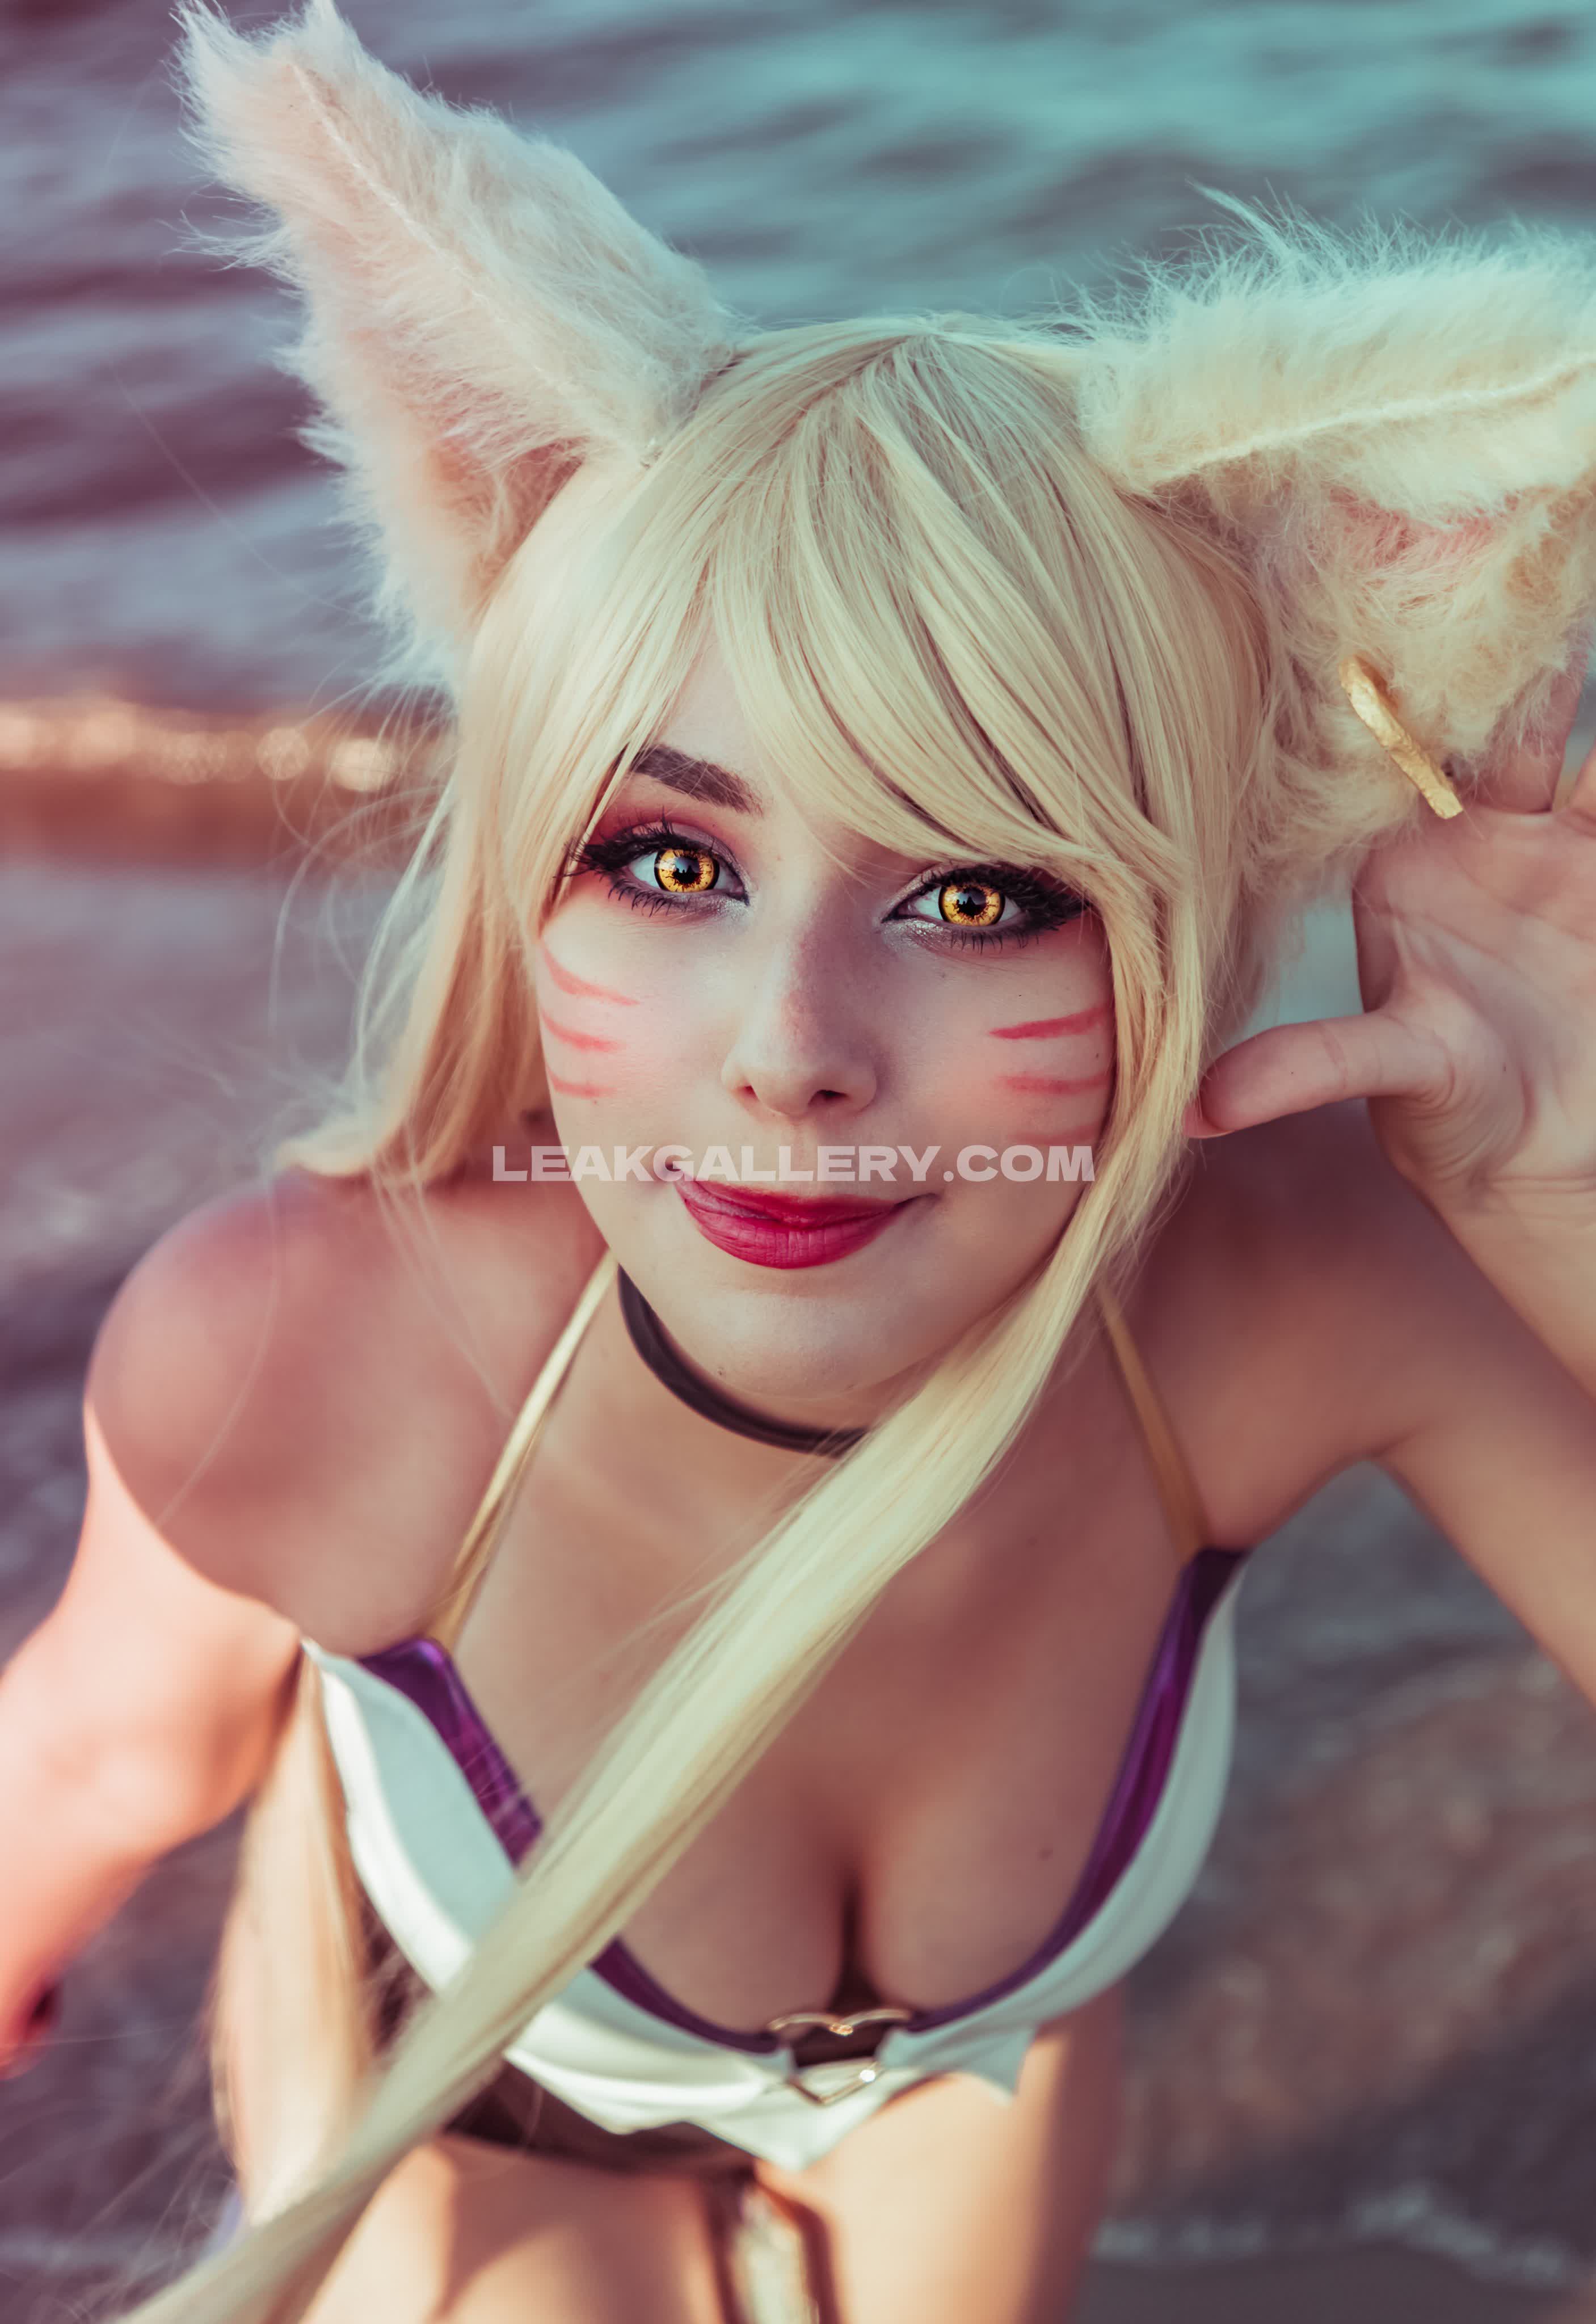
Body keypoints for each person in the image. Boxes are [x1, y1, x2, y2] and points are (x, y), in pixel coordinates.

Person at [6, 3, 1596, 2318]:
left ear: (1171, 920)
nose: (794, 1058)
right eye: (669, 861)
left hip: (969, 2071)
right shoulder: (305, 1344)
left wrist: (1559, 1199)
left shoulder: (1296, 1285)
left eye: (979, 894)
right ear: (527, 872)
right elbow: (84, 1768)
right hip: (487, 2111)